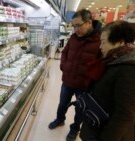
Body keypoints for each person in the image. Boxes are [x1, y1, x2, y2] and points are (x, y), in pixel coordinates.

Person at [80, 21, 135, 141]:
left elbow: (124, 115)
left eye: (103, 42)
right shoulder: (116, 60)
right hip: (99, 123)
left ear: (120, 42)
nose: (100, 47)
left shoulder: (132, 71)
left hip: (109, 133)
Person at [48, 9, 102, 141]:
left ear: (89, 22)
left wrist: (90, 79)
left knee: (80, 109)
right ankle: (60, 119)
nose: (76, 29)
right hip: (68, 80)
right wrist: (64, 66)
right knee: (62, 104)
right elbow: (65, 53)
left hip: (84, 85)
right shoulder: (73, 37)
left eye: (78, 25)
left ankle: (74, 129)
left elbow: (101, 63)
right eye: (74, 26)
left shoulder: (100, 40)